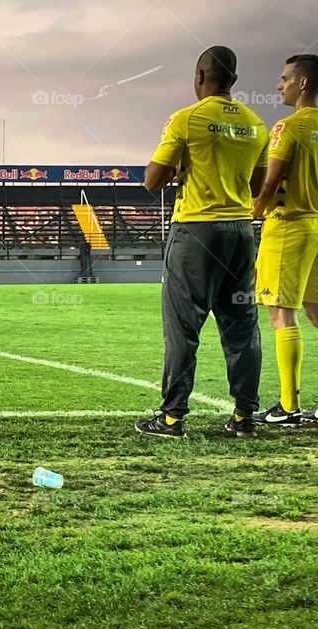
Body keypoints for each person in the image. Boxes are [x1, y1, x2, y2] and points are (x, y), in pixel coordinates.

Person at [135, 46, 268, 439]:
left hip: (196, 231)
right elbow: (258, 186)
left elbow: (152, 180)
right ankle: (245, 417)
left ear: (198, 77)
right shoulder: (255, 123)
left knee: (182, 327)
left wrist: (181, 170)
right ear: (235, 81)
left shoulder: (185, 119)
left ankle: (172, 418)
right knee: (242, 326)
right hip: (241, 232)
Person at [251, 54, 318, 425]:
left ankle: (289, 407)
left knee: (281, 313)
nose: (280, 85)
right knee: (316, 311)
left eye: (285, 79)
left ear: (302, 83)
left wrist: (254, 210)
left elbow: (270, 181)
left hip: (289, 224)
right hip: (317, 225)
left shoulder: (288, 127)